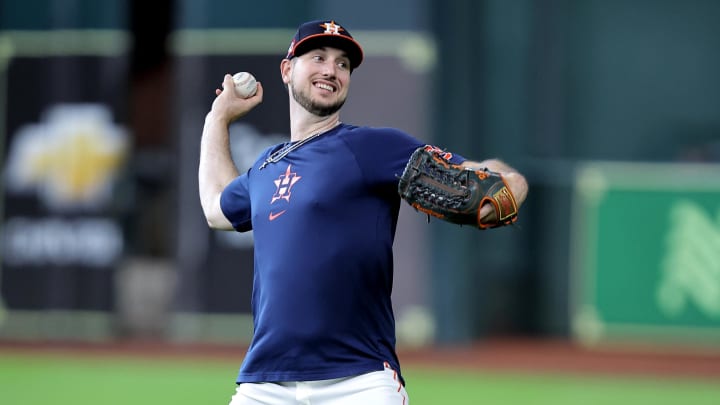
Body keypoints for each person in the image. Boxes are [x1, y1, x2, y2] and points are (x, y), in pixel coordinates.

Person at [198, 19, 528, 405]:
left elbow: (485, 183)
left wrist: (510, 182)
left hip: (359, 380)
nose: (330, 70)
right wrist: (217, 118)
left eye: (342, 64)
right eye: (318, 57)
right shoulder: (265, 167)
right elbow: (215, 208)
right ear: (287, 70)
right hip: (265, 382)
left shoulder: (372, 147)